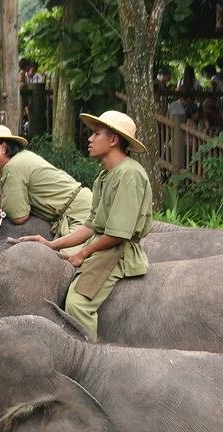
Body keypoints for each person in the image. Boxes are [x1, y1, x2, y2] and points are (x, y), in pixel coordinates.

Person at [17, 111, 152, 341]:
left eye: (96, 133)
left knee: (77, 305)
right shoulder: (104, 176)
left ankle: (89, 360)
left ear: (113, 140)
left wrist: (84, 253)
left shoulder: (129, 175)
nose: (90, 139)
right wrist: (51, 244)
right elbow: (91, 226)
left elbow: (118, 235)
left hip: (117, 254)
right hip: (101, 246)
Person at [0, 124, 92, 239]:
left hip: (79, 213)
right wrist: (1, 213)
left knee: (67, 257)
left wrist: (6, 213)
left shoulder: (14, 166)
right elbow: (19, 206)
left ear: (3, 148)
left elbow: (19, 217)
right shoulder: (20, 159)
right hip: (75, 209)